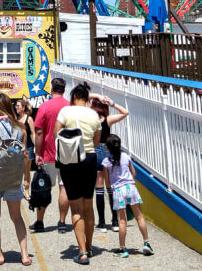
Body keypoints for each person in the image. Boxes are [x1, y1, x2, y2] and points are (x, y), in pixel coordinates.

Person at [54, 81, 101, 265]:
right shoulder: (94, 115)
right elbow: (96, 142)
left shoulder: (66, 111)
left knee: (76, 208)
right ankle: (89, 246)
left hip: (71, 160)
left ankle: (81, 252)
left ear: (73, 97)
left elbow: (55, 134)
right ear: (87, 98)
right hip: (89, 158)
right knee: (88, 206)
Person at [0, 94, 31, 266]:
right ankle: (24, 255)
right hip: (14, 178)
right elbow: (25, 156)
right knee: (17, 217)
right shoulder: (21, 129)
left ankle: (0, 254)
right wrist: (26, 180)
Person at [102, 134, 154, 258]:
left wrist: (111, 189)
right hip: (131, 188)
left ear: (107, 148)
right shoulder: (125, 156)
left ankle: (122, 249)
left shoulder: (106, 162)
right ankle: (146, 243)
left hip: (118, 190)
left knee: (122, 221)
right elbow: (133, 173)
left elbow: (107, 182)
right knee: (139, 217)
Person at [33, 77, 70, 233]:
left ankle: (40, 222)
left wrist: (38, 152)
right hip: (67, 154)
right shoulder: (70, 106)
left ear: (51, 89)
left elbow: (39, 131)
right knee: (64, 188)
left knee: (44, 187)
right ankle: (62, 222)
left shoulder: (45, 107)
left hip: (48, 153)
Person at [91, 97, 129, 230]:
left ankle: (101, 222)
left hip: (95, 150)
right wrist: (112, 103)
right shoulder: (108, 120)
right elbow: (125, 112)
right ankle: (114, 221)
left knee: (99, 188)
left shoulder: (91, 120)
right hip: (108, 151)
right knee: (110, 187)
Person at [15, 97, 36, 199]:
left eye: (18, 106)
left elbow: (33, 133)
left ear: (23, 107)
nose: (16, 107)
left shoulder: (29, 119)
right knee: (18, 169)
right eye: (16, 106)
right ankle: (19, 190)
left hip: (29, 148)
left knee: (27, 170)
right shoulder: (16, 119)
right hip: (18, 148)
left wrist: (36, 146)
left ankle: (27, 191)